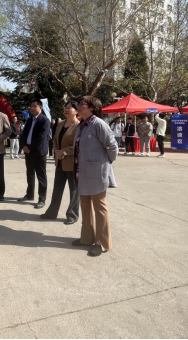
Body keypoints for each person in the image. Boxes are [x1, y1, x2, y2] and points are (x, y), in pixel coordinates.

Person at [73, 96, 118, 257]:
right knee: (85, 205)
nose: (79, 106)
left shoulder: (99, 124)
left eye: (83, 104)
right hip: (82, 171)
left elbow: (112, 146)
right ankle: (87, 238)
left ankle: (103, 243)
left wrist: (105, 163)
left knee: (99, 207)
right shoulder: (81, 125)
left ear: (92, 107)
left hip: (97, 172)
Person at [41, 102, 81, 224]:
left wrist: (64, 151)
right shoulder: (60, 124)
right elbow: (55, 140)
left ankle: (72, 215)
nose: (67, 109)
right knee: (57, 189)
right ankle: (52, 212)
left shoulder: (79, 126)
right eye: (66, 107)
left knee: (74, 190)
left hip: (72, 162)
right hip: (60, 161)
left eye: (70, 108)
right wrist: (57, 151)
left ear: (77, 111)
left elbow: (79, 145)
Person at [18, 99, 51, 209]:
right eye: (31, 106)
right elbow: (23, 134)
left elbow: (41, 138)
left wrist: (30, 148)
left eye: (34, 106)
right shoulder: (29, 120)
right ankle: (29, 194)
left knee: (41, 176)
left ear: (40, 108)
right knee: (30, 174)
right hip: (28, 152)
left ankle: (42, 199)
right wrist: (24, 146)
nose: (31, 108)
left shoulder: (45, 120)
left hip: (39, 152)